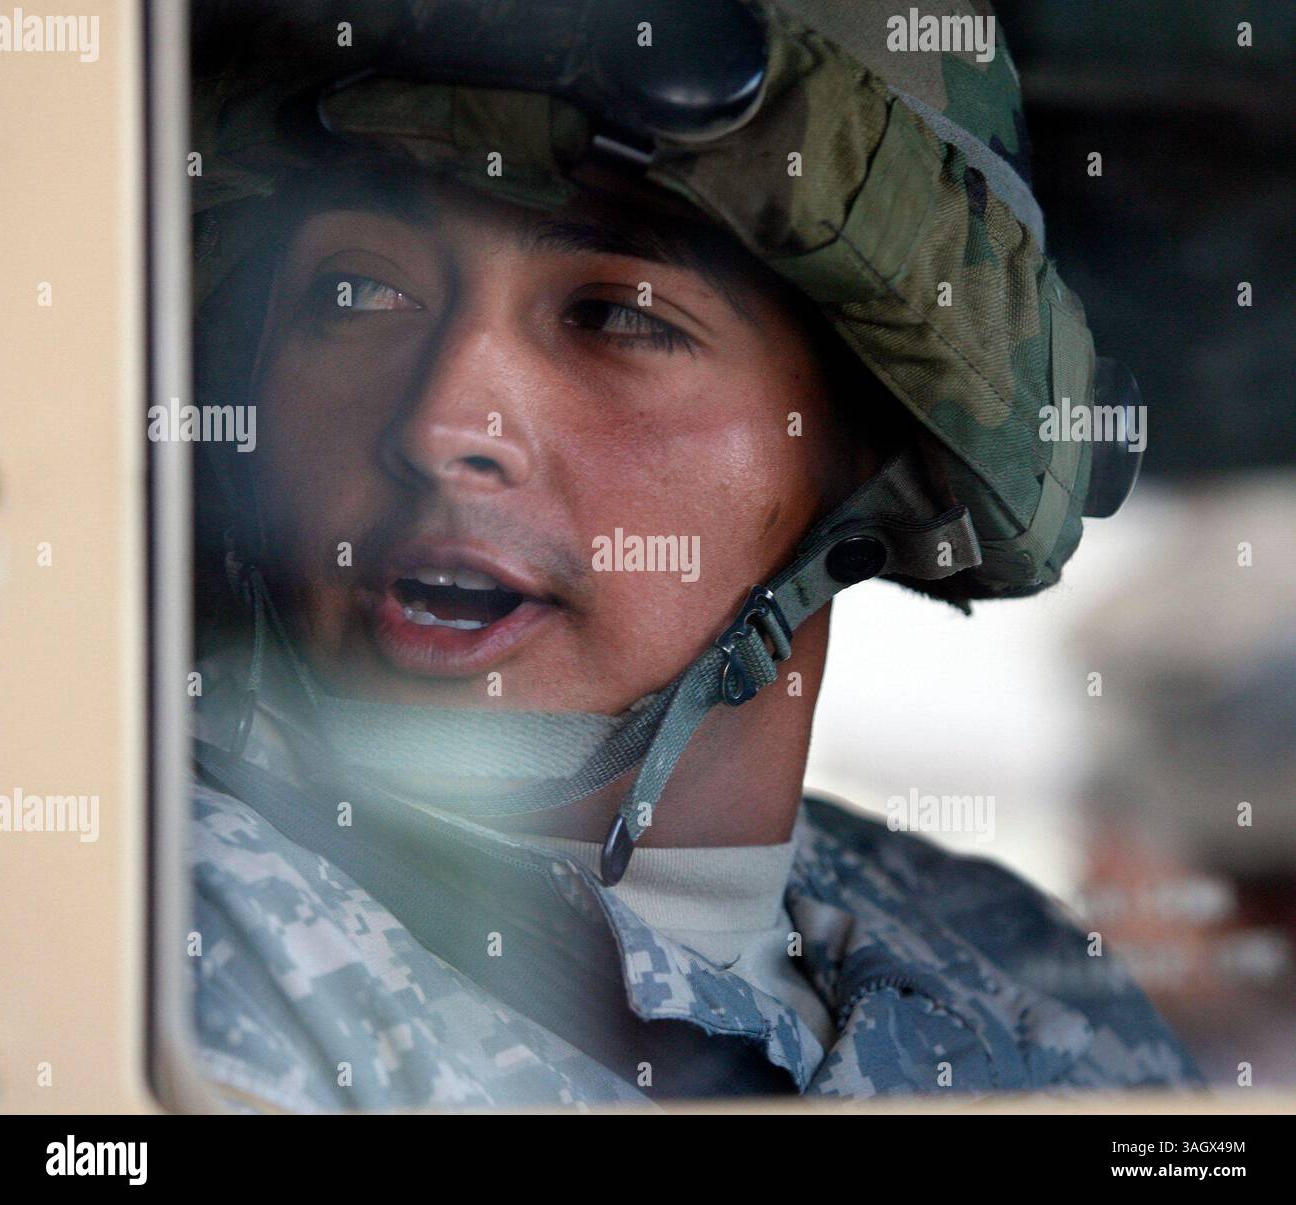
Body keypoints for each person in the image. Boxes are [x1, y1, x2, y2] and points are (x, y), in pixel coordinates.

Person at [186, 0, 1200, 1110]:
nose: (441, 427)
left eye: (618, 317)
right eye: (356, 292)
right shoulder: (157, 929)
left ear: (876, 436)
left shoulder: (1017, 976)